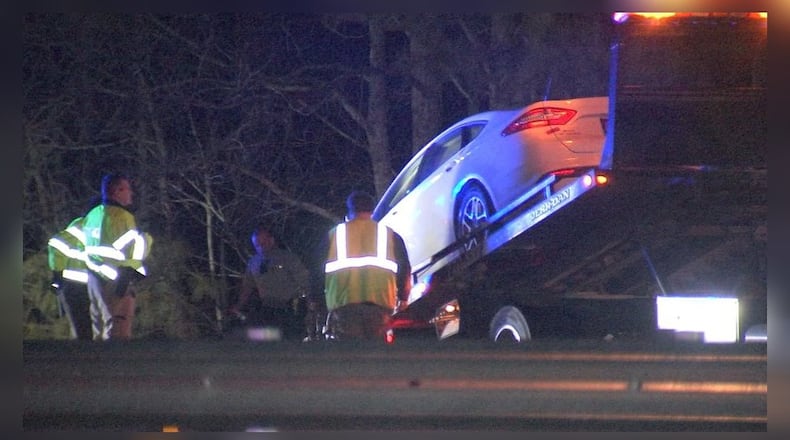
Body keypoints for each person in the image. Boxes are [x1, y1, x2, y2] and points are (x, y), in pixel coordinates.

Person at [323, 190, 411, 341]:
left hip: (344, 304)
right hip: (380, 304)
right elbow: (404, 268)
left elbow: (317, 270)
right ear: (372, 210)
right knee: (376, 353)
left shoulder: (333, 235)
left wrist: (316, 300)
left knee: (351, 354)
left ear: (350, 210)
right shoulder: (390, 235)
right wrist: (403, 297)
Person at [83, 173, 153, 340]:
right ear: (117, 191)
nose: (131, 194)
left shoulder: (93, 215)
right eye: (128, 189)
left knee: (99, 330)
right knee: (118, 331)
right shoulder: (122, 217)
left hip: (94, 279)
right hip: (117, 281)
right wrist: (147, 239)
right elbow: (133, 251)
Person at [228, 225, 311, 340]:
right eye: (258, 245)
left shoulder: (287, 258)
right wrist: (238, 306)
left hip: (289, 308)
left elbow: (304, 281)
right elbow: (247, 287)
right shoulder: (254, 262)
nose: (261, 247)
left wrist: (310, 303)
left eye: (264, 243)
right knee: (265, 338)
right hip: (267, 309)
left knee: (290, 338)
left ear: (271, 241)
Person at [47, 216, 92, 340]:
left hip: (70, 287)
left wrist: (56, 277)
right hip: (97, 287)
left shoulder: (65, 237)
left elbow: (56, 251)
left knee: (79, 327)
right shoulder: (101, 236)